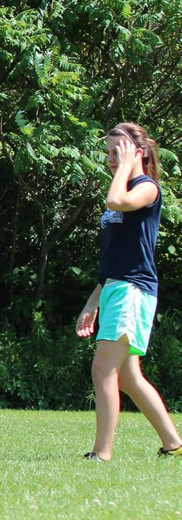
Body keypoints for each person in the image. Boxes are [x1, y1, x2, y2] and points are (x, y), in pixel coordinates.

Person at [76, 123, 182, 460]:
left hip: (132, 290)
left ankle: (102, 453)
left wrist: (125, 166)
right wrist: (92, 302)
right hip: (116, 287)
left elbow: (115, 200)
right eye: (108, 152)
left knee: (102, 369)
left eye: (118, 151)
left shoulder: (146, 188)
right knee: (128, 377)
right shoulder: (123, 187)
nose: (111, 158)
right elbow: (115, 259)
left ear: (140, 152)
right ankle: (174, 444)